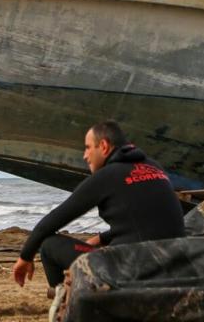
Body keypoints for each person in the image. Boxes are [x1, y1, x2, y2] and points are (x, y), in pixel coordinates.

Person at [12, 121, 184, 297]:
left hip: (130, 269)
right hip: (171, 264)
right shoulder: (155, 167)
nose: (85, 156)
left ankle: (67, 307)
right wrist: (102, 238)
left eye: (87, 148)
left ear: (103, 146)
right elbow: (149, 221)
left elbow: (52, 221)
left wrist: (25, 256)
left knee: (49, 245)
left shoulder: (107, 176)